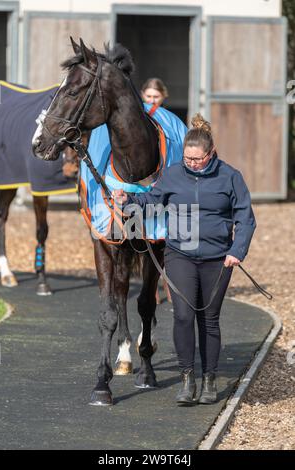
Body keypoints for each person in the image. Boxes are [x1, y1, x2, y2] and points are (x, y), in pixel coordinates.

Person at [112, 113, 256, 406]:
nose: (192, 164)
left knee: (209, 320)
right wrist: (129, 201)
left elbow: (245, 218)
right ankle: (188, 378)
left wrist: (236, 251)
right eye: (188, 159)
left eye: (198, 159)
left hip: (218, 258)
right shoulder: (174, 174)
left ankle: (209, 379)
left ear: (211, 153)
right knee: (182, 316)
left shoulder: (230, 177)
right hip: (180, 254)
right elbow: (153, 202)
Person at [141, 77, 172, 303]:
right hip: (145, 184)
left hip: (164, 182)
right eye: (149, 96)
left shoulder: (170, 123)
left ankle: (168, 282)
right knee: (144, 237)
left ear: (163, 97)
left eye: (156, 97)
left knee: (167, 236)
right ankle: (150, 285)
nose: (152, 101)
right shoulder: (140, 122)